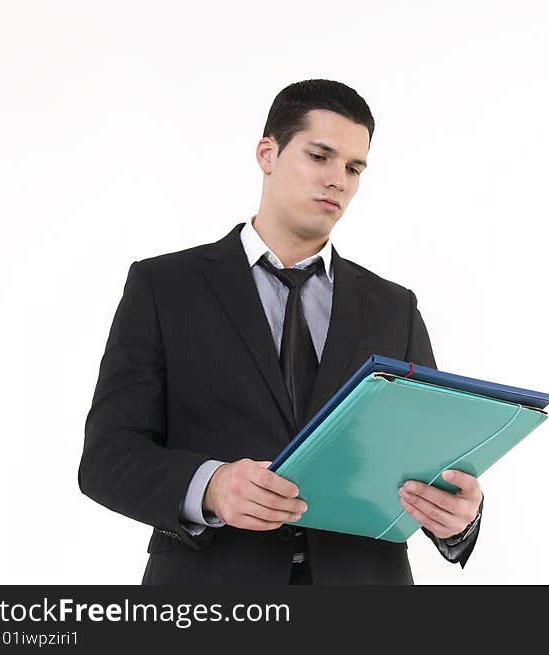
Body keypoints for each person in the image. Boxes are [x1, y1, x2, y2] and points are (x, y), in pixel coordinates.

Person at [79, 79, 484, 584]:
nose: (339, 179)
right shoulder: (165, 286)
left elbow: (426, 457)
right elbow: (107, 455)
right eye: (320, 156)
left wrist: (457, 520)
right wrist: (211, 487)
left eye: (354, 168)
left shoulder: (394, 306)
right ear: (267, 154)